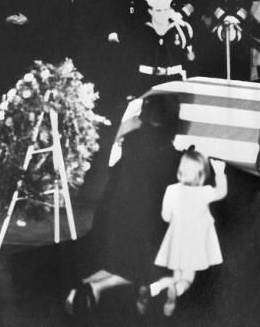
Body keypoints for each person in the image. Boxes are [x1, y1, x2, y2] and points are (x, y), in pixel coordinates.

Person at [64, 93, 181, 317]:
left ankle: (84, 285)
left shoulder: (132, 141)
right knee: (151, 272)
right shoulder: (166, 152)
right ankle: (97, 287)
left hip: (116, 220)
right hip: (142, 225)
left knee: (118, 266)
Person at [140, 150, 227, 317]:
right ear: (201, 174)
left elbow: (166, 216)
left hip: (176, 241)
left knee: (176, 274)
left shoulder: (172, 190)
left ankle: (153, 288)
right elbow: (221, 192)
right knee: (187, 279)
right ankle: (176, 292)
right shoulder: (204, 192)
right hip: (194, 243)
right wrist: (220, 173)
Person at [129, 0, 195, 96]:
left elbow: (195, 1)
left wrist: (181, 14)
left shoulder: (182, 29)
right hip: (146, 77)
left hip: (175, 28)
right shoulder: (141, 29)